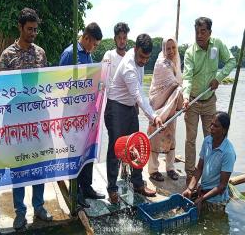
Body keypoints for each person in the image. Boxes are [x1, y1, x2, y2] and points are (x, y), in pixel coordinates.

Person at [0, 8, 52, 230]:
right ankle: (20, 211)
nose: (33, 33)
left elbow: (47, 83)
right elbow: (1, 90)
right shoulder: (7, 55)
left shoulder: (40, 53)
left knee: (39, 162)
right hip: (16, 120)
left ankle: (39, 206)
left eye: (35, 30)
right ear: (20, 28)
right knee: (19, 165)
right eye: (29, 29)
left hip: (39, 117)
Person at [105, 34, 163, 204]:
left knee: (137, 145)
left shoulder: (139, 60)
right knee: (115, 149)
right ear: (135, 49)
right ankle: (112, 188)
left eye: (147, 58)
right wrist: (153, 115)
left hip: (129, 107)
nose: (144, 61)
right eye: (142, 57)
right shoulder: (129, 66)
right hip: (115, 107)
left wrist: (143, 110)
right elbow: (138, 93)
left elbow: (138, 91)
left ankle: (138, 183)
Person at [182, 17, 236, 185]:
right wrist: (185, 96)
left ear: (210, 33)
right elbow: (188, 77)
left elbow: (231, 61)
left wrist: (219, 78)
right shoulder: (190, 52)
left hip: (209, 100)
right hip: (192, 100)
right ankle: (191, 175)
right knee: (190, 139)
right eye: (197, 32)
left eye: (203, 32)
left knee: (211, 137)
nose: (199, 35)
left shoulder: (217, 44)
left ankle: (211, 175)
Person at [59, 22, 105, 208]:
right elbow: (60, 83)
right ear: (86, 38)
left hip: (86, 114)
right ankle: (75, 192)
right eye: (94, 43)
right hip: (71, 114)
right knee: (73, 153)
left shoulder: (88, 55)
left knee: (87, 150)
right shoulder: (70, 54)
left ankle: (87, 188)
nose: (94, 47)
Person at [182, 111, 236, 213]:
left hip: (216, 201)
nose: (211, 127)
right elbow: (199, 168)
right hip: (202, 192)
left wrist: (202, 199)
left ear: (224, 130)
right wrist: (190, 188)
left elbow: (222, 186)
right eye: (211, 124)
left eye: (216, 126)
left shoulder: (228, 153)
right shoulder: (207, 141)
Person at [147, 37, 183, 182]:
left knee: (171, 136)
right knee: (155, 135)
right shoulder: (161, 64)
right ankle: (153, 170)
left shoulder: (176, 62)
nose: (171, 51)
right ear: (163, 49)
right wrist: (181, 91)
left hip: (171, 105)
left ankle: (170, 168)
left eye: (173, 48)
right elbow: (174, 83)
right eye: (168, 48)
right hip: (158, 105)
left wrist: (179, 93)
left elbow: (177, 82)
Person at [102, 22, 130, 87]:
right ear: (115, 39)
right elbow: (102, 73)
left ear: (127, 39)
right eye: (119, 38)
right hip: (111, 96)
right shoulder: (109, 55)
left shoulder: (130, 57)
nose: (122, 41)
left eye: (124, 38)